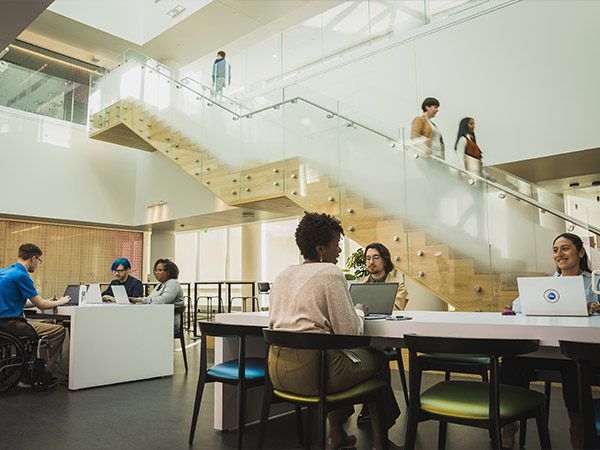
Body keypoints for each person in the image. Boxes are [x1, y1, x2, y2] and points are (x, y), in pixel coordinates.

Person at [268, 212, 401, 450]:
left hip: (277, 373)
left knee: (332, 354)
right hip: (313, 374)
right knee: (378, 360)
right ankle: (381, 442)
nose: (339, 251)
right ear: (321, 249)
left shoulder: (282, 275)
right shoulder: (330, 272)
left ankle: (337, 434)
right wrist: (359, 311)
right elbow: (350, 333)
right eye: (336, 245)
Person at [500, 233, 600, 449]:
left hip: (577, 352)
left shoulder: (595, 281)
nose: (559, 254)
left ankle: (578, 428)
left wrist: (595, 307)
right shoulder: (547, 284)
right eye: (555, 250)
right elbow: (516, 306)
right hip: (547, 350)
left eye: (565, 248)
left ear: (581, 252)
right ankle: (507, 423)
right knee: (510, 361)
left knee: (575, 368)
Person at [0, 243, 71, 387]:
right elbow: (42, 306)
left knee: (49, 324)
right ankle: (37, 375)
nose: (38, 264)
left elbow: (21, 302)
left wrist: (47, 300)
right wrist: (61, 301)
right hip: (11, 325)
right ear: (33, 258)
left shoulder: (4, 272)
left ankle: (34, 367)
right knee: (58, 330)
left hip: (3, 323)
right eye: (39, 261)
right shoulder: (22, 275)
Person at [130, 259, 184, 332]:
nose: (156, 273)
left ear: (169, 272)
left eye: (160, 270)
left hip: (170, 320)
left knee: (137, 323)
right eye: (156, 270)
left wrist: (147, 300)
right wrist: (137, 300)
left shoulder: (173, 283)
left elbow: (163, 300)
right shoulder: (161, 284)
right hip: (159, 317)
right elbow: (151, 298)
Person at [358, 242, 409, 311]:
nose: (371, 262)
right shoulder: (357, 284)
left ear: (385, 261)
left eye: (376, 257)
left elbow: (395, 310)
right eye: (368, 258)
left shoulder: (399, 286)